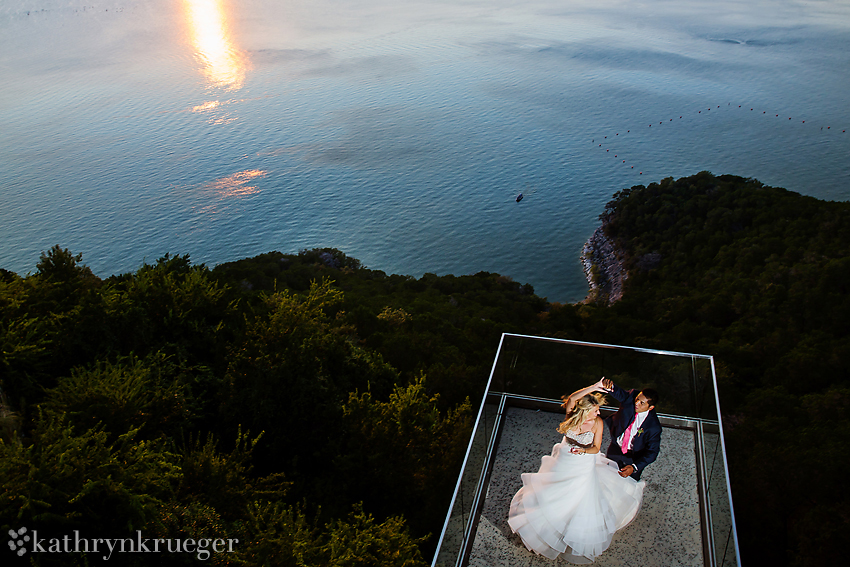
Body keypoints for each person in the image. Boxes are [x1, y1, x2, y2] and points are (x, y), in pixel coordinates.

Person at [507, 378, 645, 563]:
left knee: (580, 494)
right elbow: (572, 398)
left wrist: (583, 451)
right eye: (595, 409)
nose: (599, 412)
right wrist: (595, 387)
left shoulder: (598, 423)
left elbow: (596, 448)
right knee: (554, 488)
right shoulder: (572, 414)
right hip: (565, 457)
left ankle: (570, 528)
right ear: (586, 410)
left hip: (583, 462)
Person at [601, 378, 661, 481]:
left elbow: (652, 452)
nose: (636, 403)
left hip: (634, 457)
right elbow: (620, 394)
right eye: (637, 399)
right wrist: (611, 387)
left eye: (642, 403)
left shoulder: (653, 427)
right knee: (606, 476)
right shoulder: (631, 397)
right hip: (616, 447)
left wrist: (634, 467)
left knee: (628, 483)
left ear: (650, 407)